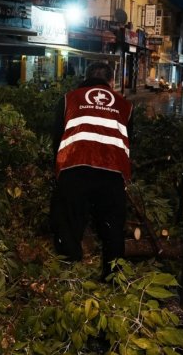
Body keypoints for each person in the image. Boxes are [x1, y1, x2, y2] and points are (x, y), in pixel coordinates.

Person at [50, 62, 133, 281]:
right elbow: (129, 142)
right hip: (111, 175)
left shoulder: (69, 99)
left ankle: (70, 276)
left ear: (84, 78)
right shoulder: (125, 105)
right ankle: (113, 280)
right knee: (112, 229)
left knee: (67, 222)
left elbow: (57, 139)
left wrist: (57, 171)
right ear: (111, 81)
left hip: (74, 170)